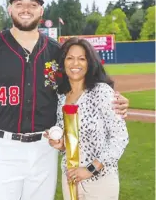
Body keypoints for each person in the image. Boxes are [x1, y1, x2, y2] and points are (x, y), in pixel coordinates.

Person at [0, 0, 129, 200]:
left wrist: (115, 99)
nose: (26, 9)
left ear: (42, 10)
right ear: (9, 8)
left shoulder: (56, 52)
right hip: (1, 149)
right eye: (19, 3)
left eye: (33, 4)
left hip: (45, 148)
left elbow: (83, 85)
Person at [46, 37, 129, 200]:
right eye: (70, 58)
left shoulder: (101, 92)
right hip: (70, 177)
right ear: (63, 63)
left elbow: (120, 138)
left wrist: (90, 169)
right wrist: (60, 144)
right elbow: (71, 141)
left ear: (89, 63)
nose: (75, 63)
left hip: (100, 181)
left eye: (81, 59)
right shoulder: (61, 97)